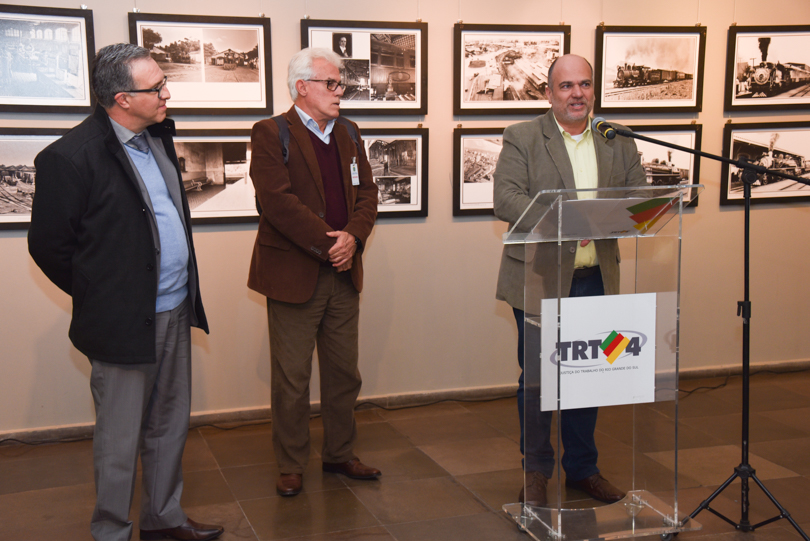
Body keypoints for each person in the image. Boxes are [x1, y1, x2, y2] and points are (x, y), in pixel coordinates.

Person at [28, 43, 223, 541]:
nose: (166, 93)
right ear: (120, 98)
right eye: (155, 88)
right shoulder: (69, 159)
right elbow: (50, 248)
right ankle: (112, 531)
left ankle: (164, 519)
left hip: (176, 309)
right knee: (118, 440)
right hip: (121, 324)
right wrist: (104, 295)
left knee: (169, 424)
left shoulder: (155, 135)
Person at [493, 54, 647, 508]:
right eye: (565, 86)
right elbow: (506, 198)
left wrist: (609, 217)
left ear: (593, 90)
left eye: (584, 85)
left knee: (589, 376)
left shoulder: (616, 138)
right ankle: (536, 470)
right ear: (549, 93)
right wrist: (571, 218)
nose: (576, 94)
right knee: (539, 379)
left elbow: (638, 194)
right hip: (540, 278)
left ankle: (582, 468)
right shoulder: (523, 136)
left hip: (596, 275)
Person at [248, 47, 379, 497]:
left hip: (343, 271)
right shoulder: (270, 132)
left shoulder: (349, 131)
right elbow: (276, 201)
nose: (340, 91)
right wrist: (332, 243)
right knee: (292, 377)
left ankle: (340, 453)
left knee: (345, 372)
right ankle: (291, 463)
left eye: (341, 83)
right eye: (332, 83)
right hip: (294, 273)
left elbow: (368, 195)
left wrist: (354, 239)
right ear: (302, 87)